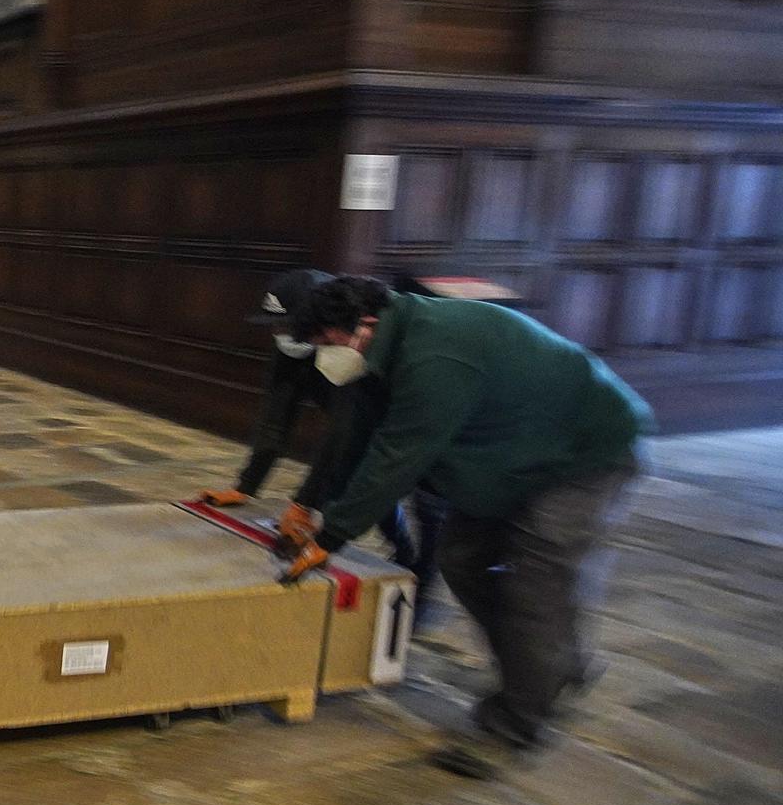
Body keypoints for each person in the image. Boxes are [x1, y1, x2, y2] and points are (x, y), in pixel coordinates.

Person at [277, 275, 652, 778]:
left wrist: (332, 537)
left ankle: (514, 726)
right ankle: (550, 665)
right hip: (510, 457)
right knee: (462, 558)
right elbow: (353, 436)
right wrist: (308, 505)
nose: (327, 357)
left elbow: (398, 458)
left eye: (328, 343)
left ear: (363, 325)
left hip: (583, 456)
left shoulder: (437, 355)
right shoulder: (381, 349)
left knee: (534, 584)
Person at [196, 269, 442, 617]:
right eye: (274, 328)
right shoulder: (293, 347)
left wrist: (305, 504)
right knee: (362, 480)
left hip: (419, 422)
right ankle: (402, 553)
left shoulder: (350, 346)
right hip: (371, 427)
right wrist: (245, 486)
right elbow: (275, 420)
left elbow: (342, 436)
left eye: (284, 326)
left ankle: (419, 580)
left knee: (425, 503)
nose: (279, 335)